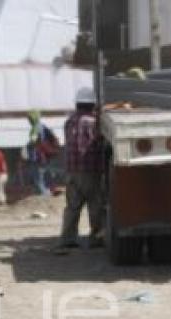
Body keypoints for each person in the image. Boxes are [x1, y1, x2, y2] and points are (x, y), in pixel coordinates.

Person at [59, 86, 105, 249]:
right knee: (95, 204)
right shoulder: (94, 123)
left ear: (77, 104)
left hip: (71, 170)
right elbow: (99, 143)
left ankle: (68, 239)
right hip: (90, 170)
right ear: (92, 105)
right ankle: (97, 237)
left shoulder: (69, 121)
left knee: (72, 206)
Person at [26, 110, 60, 196]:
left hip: (37, 156)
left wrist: (28, 145)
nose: (29, 120)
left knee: (38, 178)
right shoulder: (42, 126)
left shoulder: (36, 128)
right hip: (44, 156)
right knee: (44, 175)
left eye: (30, 118)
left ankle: (44, 195)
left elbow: (33, 140)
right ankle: (48, 192)